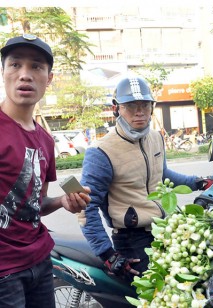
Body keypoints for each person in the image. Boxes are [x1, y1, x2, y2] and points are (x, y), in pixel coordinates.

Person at [80, 76, 213, 299]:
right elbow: (86, 208)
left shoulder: (155, 138)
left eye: (144, 105)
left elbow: (162, 174)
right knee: (158, 299)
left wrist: (198, 182)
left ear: (152, 107)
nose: (139, 111)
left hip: (165, 231)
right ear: (116, 109)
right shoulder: (101, 152)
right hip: (132, 241)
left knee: (191, 290)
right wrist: (107, 254)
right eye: (130, 106)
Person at [0, 34, 91, 308]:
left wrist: (63, 202)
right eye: (15, 65)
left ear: (49, 78)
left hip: (40, 260)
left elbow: (33, 206)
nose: (25, 75)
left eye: (36, 67)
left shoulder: (45, 140)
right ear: (3, 72)